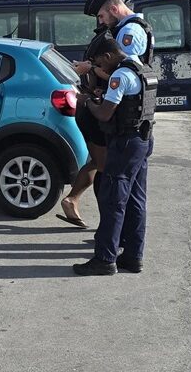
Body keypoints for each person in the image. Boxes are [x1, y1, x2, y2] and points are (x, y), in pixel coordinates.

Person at [72, 37, 158, 276]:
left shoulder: (120, 76)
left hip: (125, 144)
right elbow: (132, 104)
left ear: (108, 56)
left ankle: (105, 259)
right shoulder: (143, 69)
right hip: (143, 141)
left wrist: (88, 100)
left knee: (113, 201)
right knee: (136, 200)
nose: (100, 67)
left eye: (99, 61)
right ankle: (133, 257)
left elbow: (104, 115)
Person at [56, 22, 111, 228]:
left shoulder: (97, 49)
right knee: (101, 164)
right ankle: (74, 200)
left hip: (90, 107)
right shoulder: (103, 53)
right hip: (91, 110)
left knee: (98, 163)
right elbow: (112, 77)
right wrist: (92, 68)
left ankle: (73, 200)